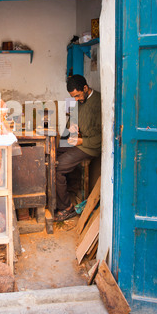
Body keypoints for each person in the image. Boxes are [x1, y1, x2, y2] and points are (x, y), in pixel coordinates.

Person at [55, 74, 101, 221]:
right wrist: (72, 128)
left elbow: (102, 138)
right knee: (51, 155)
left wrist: (81, 141)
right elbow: (70, 125)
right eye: (73, 96)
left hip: (89, 146)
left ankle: (66, 208)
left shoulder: (99, 103)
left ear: (86, 88)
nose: (76, 99)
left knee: (57, 167)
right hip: (78, 141)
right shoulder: (79, 101)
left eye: (77, 95)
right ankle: (56, 195)